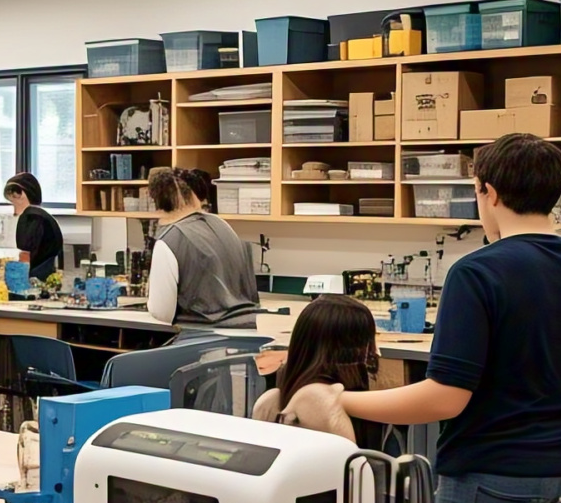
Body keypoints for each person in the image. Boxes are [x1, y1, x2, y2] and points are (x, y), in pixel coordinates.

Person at [327, 134, 561, 503]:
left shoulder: (477, 271)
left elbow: (445, 399)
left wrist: (337, 399)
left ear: (487, 192)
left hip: (495, 475)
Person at [252, 295, 398, 452]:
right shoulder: (318, 401)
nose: (373, 353)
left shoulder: (270, 402)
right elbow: (355, 472)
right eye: (366, 344)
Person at [145, 168, 259, 332]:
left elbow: (162, 313)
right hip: (249, 328)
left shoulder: (168, 241)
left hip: (204, 336)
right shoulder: (223, 225)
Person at [3, 172, 63, 281]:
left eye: (13, 202)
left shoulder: (31, 217)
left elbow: (26, 254)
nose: (13, 209)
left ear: (19, 194)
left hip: (34, 279)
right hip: (48, 277)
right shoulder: (44, 216)